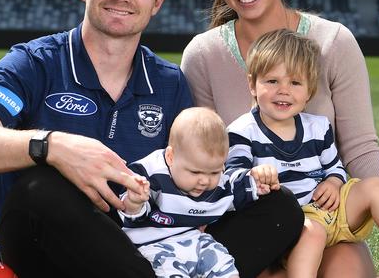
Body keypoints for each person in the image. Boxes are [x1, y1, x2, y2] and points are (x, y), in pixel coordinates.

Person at [0, 0, 301, 278]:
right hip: (45, 250)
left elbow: (196, 180)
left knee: (279, 206)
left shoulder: (169, 83)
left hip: (143, 249)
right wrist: (52, 146)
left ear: (157, 2)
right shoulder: (35, 63)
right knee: (40, 189)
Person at [180, 0, 379, 276]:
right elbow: (200, 159)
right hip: (247, 222)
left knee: (344, 270)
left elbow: (360, 147)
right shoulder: (203, 54)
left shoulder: (333, 42)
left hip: (321, 219)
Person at [225, 29, 379, 278]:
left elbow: (335, 166)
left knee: (373, 186)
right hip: (294, 224)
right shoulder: (242, 131)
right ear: (252, 84)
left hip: (329, 209)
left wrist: (334, 182)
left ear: (309, 91)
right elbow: (232, 177)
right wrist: (255, 176)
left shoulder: (318, 126)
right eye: (272, 81)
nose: (284, 90)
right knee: (312, 232)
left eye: (295, 82)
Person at [119, 107, 280, 278]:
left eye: (214, 172)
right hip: (155, 245)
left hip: (196, 239)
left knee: (224, 266)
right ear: (170, 157)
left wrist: (258, 181)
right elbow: (129, 213)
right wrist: (135, 202)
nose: (204, 181)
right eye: (195, 172)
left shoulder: (218, 183)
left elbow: (236, 187)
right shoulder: (151, 175)